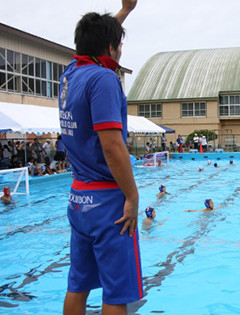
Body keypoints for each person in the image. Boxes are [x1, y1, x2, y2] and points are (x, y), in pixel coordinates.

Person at [60, 2, 142, 314]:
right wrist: (132, 196)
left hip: (79, 199)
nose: (121, 51)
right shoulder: (103, 79)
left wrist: (125, 11)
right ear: (110, 48)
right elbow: (112, 147)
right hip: (108, 203)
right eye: (118, 45)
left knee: (78, 285)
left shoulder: (71, 74)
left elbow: (91, 44)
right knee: (116, 292)